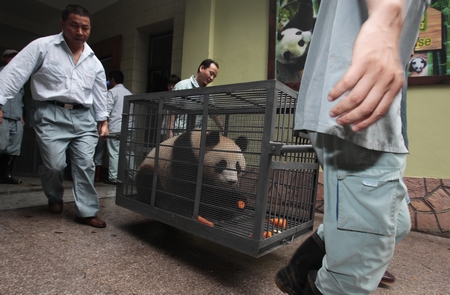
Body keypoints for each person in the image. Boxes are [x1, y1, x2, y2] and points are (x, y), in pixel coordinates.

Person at [274, 1, 429, 294]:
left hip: (359, 107)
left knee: (398, 222)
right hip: (357, 107)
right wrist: (385, 17)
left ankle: (299, 270)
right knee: (351, 277)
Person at [0, 4, 109, 228]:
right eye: (74, 25)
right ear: (62, 24)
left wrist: (103, 120)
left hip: (83, 117)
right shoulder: (42, 46)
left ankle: (87, 211)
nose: (80, 32)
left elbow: (99, 93)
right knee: (54, 165)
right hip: (50, 113)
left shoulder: (93, 60)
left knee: (85, 165)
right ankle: (54, 196)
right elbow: (15, 73)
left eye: (85, 28)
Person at [171, 59, 224, 134]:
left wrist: (222, 128)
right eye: (211, 73)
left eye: (214, 76)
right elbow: (171, 110)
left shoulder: (207, 94)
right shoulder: (183, 85)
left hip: (197, 136)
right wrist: (169, 131)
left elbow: (213, 112)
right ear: (202, 68)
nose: (212, 78)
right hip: (180, 134)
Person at [103, 70, 132, 185]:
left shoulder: (112, 92)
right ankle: (133, 176)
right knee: (129, 152)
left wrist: (103, 125)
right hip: (129, 128)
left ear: (113, 80)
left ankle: (114, 178)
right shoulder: (129, 93)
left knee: (115, 153)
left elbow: (107, 110)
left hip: (115, 127)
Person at [0, 49, 25, 184]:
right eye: (11, 56)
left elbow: (20, 99)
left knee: (14, 148)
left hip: (16, 117)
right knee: (1, 145)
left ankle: (6, 175)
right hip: (2, 115)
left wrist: (21, 116)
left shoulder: (19, 77)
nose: (13, 59)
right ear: (5, 58)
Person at [162, 74, 181, 140]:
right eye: (169, 85)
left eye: (173, 85)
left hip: (175, 129)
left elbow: (173, 113)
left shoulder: (179, 98)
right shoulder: (166, 98)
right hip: (165, 128)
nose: (171, 87)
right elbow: (163, 114)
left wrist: (170, 130)